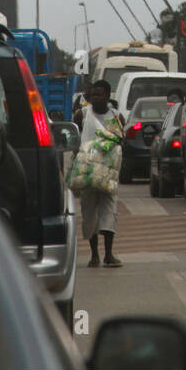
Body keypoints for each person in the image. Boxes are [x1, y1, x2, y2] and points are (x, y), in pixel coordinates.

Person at [73, 79, 125, 268]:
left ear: (107, 96)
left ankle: (109, 254)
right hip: (87, 172)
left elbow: (119, 141)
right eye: (93, 95)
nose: (95, 98)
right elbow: (73, 140)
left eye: (99, 94)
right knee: (89, 214)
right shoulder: (82, 114)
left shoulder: (116, 116)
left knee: (109, 211)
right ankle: (94, 255)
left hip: (107, 173)